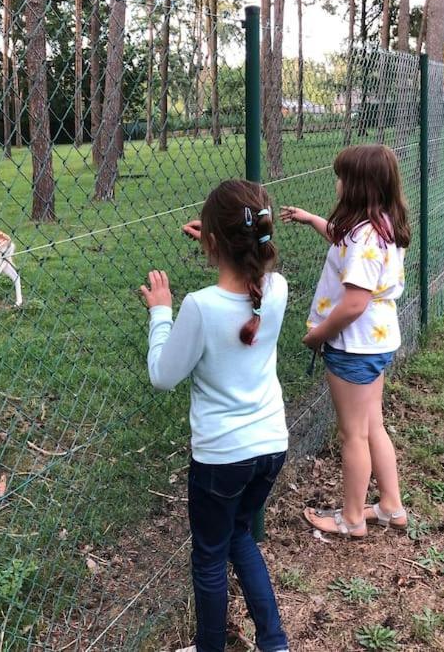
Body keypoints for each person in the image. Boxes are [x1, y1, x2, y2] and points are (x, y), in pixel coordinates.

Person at [140, 180, 290, 652]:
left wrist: (160, 313)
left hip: (222, 459)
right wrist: (220, 236)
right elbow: (243, 262)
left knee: (208, 557)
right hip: (270, 445)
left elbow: (164, 375)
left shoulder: (200, 307)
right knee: (240, 535)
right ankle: (274, 642)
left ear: (212, 242)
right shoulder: (278, 288)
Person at [281, 144, 410, 539]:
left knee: (352, 435)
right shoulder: (381, 225)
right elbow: (341, 243)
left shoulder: (363, 241)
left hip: (354, 346)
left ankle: (352, 518)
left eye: (341, 176)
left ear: (356, 186)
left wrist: (318, 334)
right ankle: (390, 506)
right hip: (378, 341)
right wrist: (311, 220)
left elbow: (353, 304)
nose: (336, 182)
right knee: (374, 426)